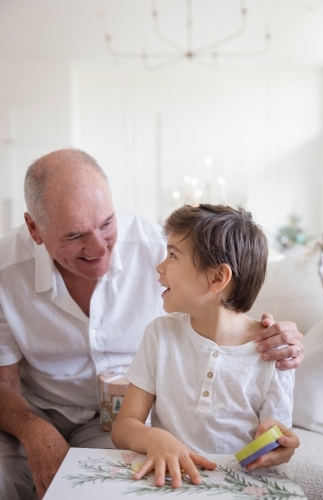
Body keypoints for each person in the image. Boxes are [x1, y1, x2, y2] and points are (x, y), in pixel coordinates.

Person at [0, 149, 303, 500]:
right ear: (35, 229)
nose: (99, 248)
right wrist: (33, 430)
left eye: (107, 224)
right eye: (74, 236)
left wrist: (275, 336)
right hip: (33, 410)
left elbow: (221, 291)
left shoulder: (156, 245)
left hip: (112, 422)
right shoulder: (6, 271)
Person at [112, 204, 298, 488]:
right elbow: (124, 426)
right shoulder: (159, 335)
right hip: (168, 482)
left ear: (217, 278)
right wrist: (154, 437)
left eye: (173, 255)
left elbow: (276, 437)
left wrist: (276, 444)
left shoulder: (275, 352)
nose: (159, 266)